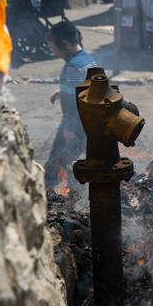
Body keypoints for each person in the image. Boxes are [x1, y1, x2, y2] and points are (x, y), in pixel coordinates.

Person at [44, 21, 98, 191]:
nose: (55, 53)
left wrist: (69, 128)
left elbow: (75, 102)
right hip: (90, 122)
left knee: (55, 165)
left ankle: (46, 199)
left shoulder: (73, 67)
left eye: (55, 49)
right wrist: (63, 90)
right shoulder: (88, 60)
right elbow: (85, 88)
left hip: (76, 125)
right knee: (89, 160)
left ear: (65, 44)